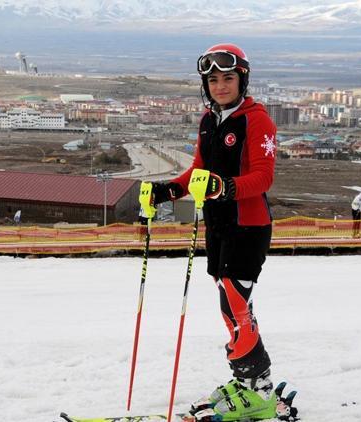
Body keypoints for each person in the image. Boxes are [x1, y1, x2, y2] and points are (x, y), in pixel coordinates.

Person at [143, 44, 295, 421]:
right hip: (218, 225)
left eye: (228, 78)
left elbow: (263, 177)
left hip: (248, 224)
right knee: (230, 308)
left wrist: (223, 187)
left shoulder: (257, 120)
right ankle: (249, 384)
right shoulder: (209, 120)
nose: (220, 85)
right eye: (213, 79)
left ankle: (257, 389)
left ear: (241, 79)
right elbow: (197, 171)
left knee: (237, 306)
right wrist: (167, 190)